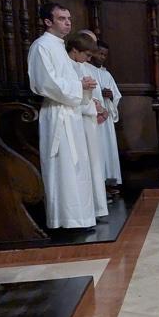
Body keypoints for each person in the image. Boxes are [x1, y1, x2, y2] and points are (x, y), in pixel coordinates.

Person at [27, 3, 97, 229]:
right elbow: (45, 83)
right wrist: (79, 86)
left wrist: (84, 86)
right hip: (57, 114)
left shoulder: (60, 47)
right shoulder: (41, 46)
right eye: (61, 18)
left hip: (71, 113)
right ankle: (63, 220)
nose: (67, 23)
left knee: (77, 166)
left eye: (69, 18)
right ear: (48, 21)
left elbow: (68, 81)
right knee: (62, 168)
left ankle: (80, 218)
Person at [65, 31, 109, 220]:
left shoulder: (81, 66)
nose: (89, 59)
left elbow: (88, 94)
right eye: (87, 54)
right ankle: (87, 210)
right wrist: (91, 105)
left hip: (88, 119)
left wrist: (96, 103)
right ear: (75, 50)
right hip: (78, 121)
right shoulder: (67, 66)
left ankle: (96, 208)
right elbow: (68, 94)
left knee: (94, 165)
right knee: (84, 166)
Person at [89, 39, 123, 191]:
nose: (102, 57)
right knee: (97, 150)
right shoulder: (85, 69)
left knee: (107, 149)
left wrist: (111, 95)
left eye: (104, 55)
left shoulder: (106, 74)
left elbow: (117, 95)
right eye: (99, 53)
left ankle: (109, 182)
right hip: (93, 118)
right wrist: (99, 94)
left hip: (106, 118)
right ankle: (98, 184)